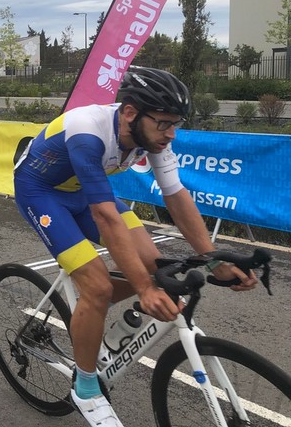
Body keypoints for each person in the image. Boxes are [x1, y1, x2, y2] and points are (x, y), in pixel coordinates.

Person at [13, 67, 258, 427]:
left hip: (83, 192)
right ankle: (84, 388)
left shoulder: (152, 137)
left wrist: (213, 258)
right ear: (130, 113)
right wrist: (142, 288)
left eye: (175, 123)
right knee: (98, 286)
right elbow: (106, 218)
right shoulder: (87, 130)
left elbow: (176, 197)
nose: (171, 133)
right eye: (164, 123)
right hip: (42, 193)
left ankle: (92, 314)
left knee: (157, 265)